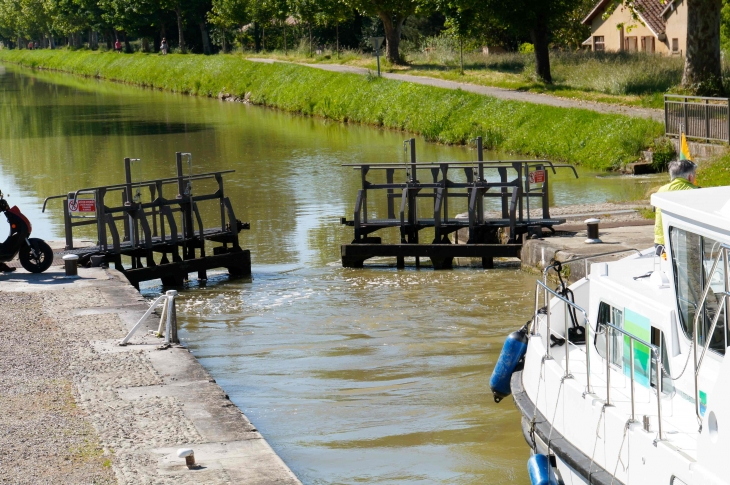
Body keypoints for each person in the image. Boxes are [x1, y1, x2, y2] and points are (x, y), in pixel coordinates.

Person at [654, 159, 697, 254]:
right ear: (690, 177)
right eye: (695, 175)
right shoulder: (696, 192)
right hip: (684, 245)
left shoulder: (661, 190)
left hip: (661, 244)